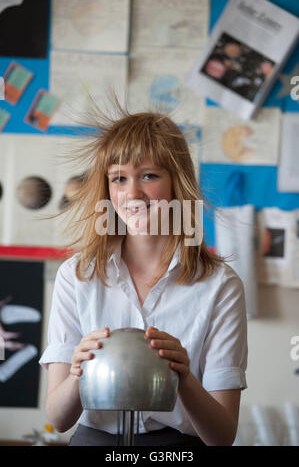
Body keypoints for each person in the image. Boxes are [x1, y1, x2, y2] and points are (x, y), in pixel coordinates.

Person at [39, 101, 248, 446]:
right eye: (118, 178)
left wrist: (183, 377)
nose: (132, 193)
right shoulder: (75, 276)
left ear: (176, 182)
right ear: (106, 189)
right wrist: (78, 372)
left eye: (149, 175)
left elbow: (222, 436)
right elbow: (59, 419)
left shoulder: (220, 285)